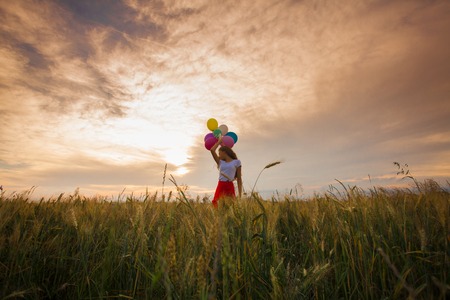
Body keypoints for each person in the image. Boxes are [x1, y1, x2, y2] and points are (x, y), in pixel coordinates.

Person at [210, 136, 242, 207]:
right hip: (221, 185)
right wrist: (219, 142)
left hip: (229, 185)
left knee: (230, 206)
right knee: (216, 204)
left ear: (224, 152)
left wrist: (240, 195)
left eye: (220, 153)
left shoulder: (237, 162)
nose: (219, 155)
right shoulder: (220, 162)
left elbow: (239, 179)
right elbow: (212, 150)